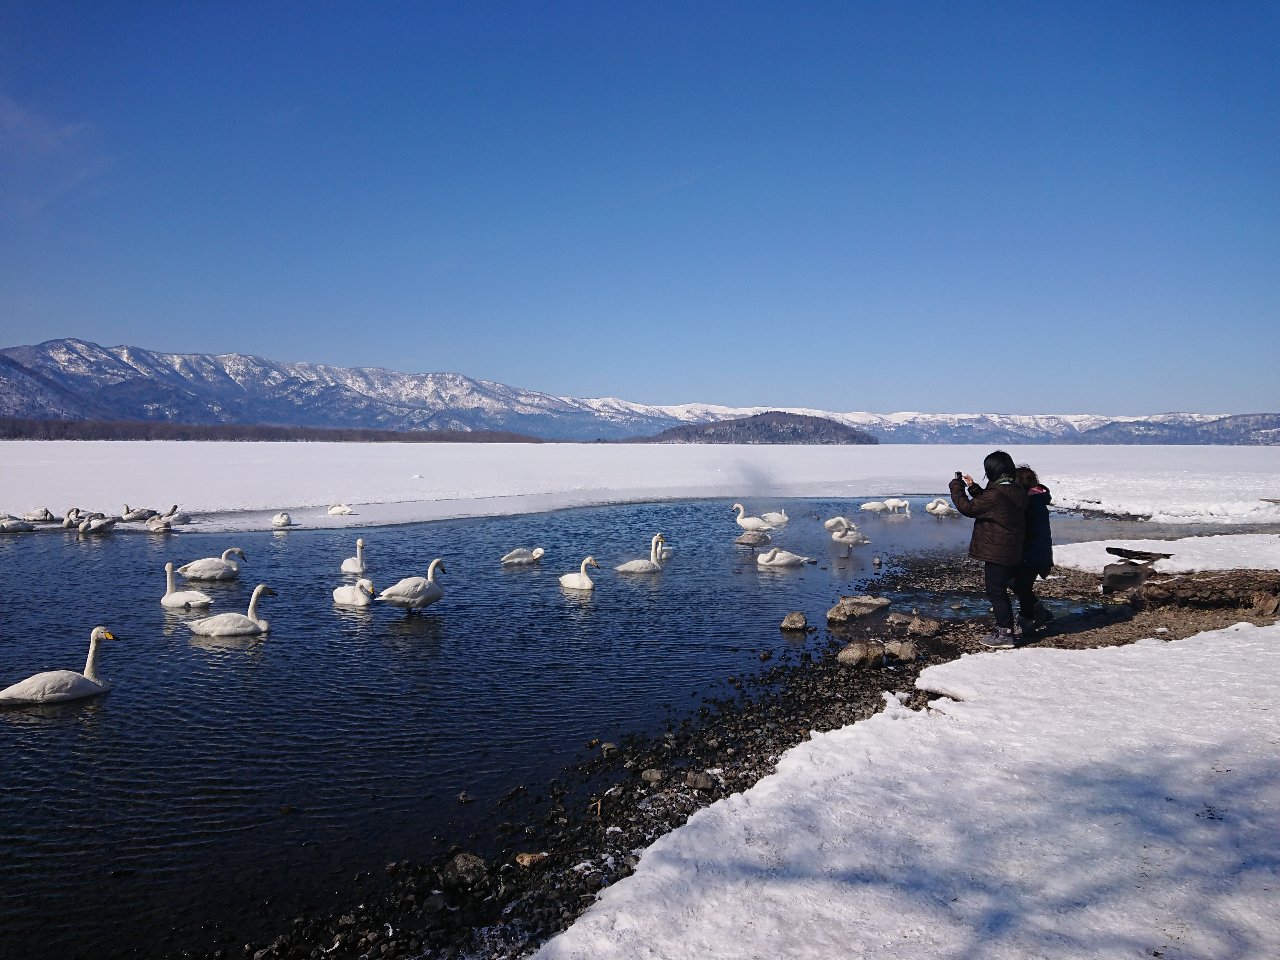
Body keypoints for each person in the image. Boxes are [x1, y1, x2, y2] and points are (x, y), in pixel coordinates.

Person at [948, 450, 1028, 648]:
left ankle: (1005, 633)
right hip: (1011, 547)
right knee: (1010, 584)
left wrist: (956, 486)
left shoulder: (995, 495)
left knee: (996, 591)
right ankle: (1033, 612)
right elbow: (993, 504)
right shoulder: (1015, 488)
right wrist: (974, 488)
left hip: (998, 550)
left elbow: (967, 508)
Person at [1014, 465, 1055, 633]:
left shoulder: (1030, 502)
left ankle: (1027, 619)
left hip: (1031, 552)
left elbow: (1027, 528)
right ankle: (1036, 611)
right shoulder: (1037, 500)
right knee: (1021, 585)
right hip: (1038, 551)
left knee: (1020, 584)